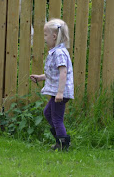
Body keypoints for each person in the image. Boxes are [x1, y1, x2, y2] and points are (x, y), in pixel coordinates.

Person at [30, 18, 74, 151]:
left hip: (60, 93)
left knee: (56, 118)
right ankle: (60, 140)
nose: (44, 38)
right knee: (48, 113)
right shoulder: (56, 52)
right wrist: (41, 77)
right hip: (57, 92)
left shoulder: (59, 53)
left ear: (54, 36)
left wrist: (60, 92)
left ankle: (62, 145)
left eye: (45, 35)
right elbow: (54, 74)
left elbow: (63, 72)